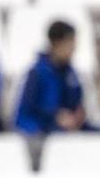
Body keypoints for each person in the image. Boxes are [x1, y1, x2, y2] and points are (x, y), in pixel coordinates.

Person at [14, 20, 90, 149]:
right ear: (57, 43)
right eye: (70, 42)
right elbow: (27, 112)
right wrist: (55, 117)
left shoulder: (71, 74)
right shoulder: (37, 73)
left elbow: (76, 104)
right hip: (39, 133)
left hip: (64, 132)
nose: (74, 48)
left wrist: (77, 116)